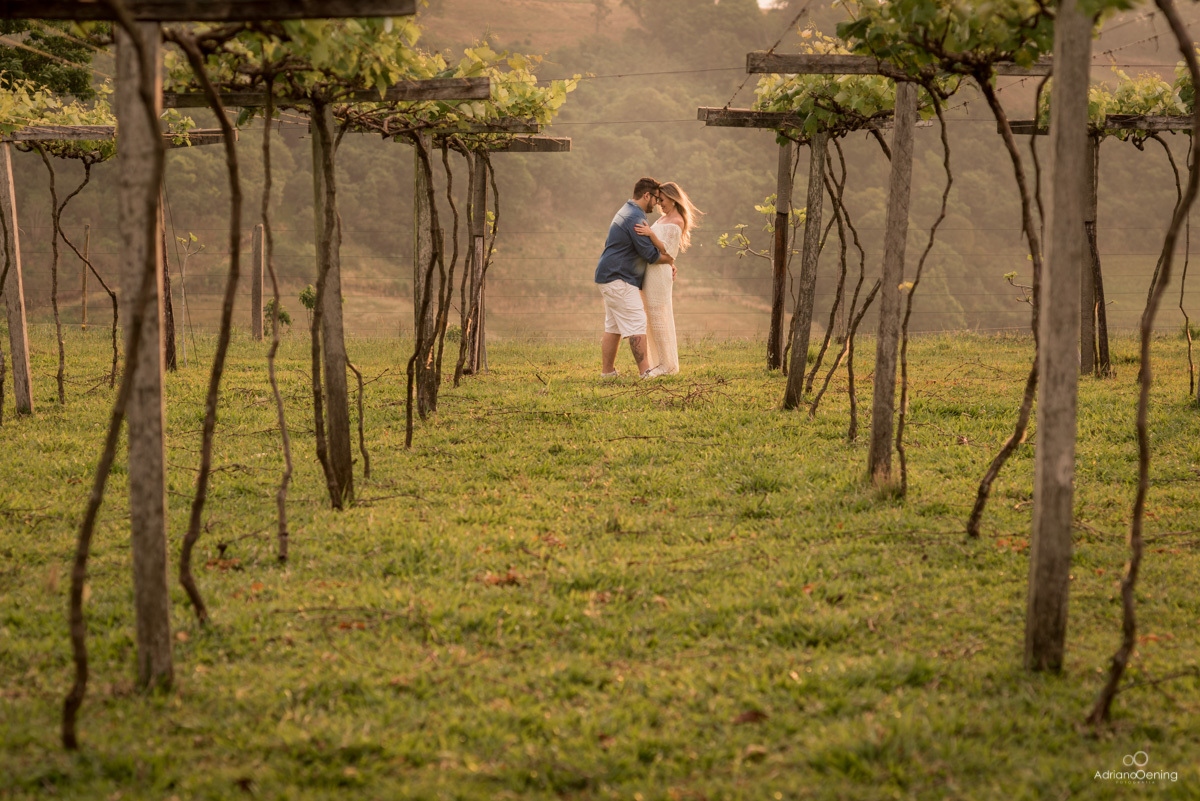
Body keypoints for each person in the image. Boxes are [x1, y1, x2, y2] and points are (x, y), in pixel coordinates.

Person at [594, 178, 675, 378]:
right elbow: (649, 254)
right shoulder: (635, 217)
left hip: (608, 275)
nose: (656, 204)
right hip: (619, 277)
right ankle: (645, 372)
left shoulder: (627, 210)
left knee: (613, 327)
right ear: (646, 195)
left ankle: (608, 373)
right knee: (637, 323)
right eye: (656, 198)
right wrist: (669, 259)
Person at [634, 181, 703, 377]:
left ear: (673, 199)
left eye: (662, 200)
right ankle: (658, 362)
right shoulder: (663, 218)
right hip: (652, 271)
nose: (659, 204)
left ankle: (667, 364)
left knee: (659, 317)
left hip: (659, 274)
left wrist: (650, 233)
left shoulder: (678, 221)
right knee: (650, 317)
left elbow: (666, 249)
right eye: (658, 200)